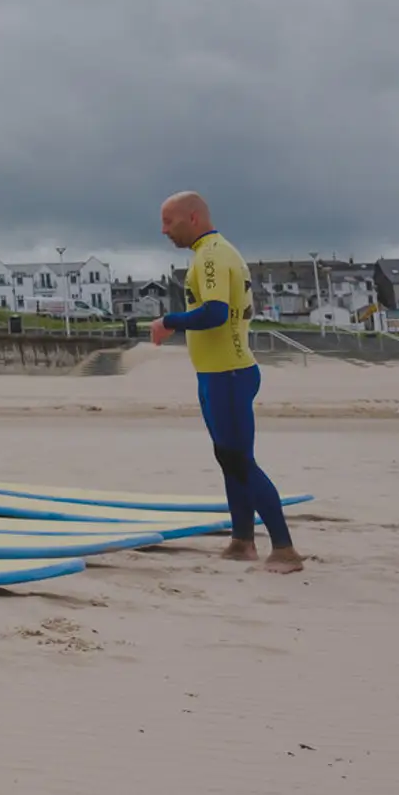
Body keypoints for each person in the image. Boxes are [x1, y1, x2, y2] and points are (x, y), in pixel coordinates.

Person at [150, 192, 303, 573]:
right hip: (216, 373)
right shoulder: (208, 254)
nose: (164, 230)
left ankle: (284, 549)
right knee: (229, 459)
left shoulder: (214, 255)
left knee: (239, 460)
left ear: (194, 217)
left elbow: (215, 313)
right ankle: (242, 541)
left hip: (229, 374)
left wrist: (169, 321)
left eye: (170, 222)